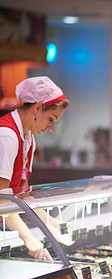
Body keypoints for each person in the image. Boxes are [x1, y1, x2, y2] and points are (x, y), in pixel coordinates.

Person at [0, 76, 70, 260]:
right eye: (51, 119)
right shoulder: (7, 135)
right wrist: (28, 237)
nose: (51, 128)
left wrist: (48, 221)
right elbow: (1, 199)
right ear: (38, 108)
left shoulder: (29, 138)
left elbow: (21, 193)